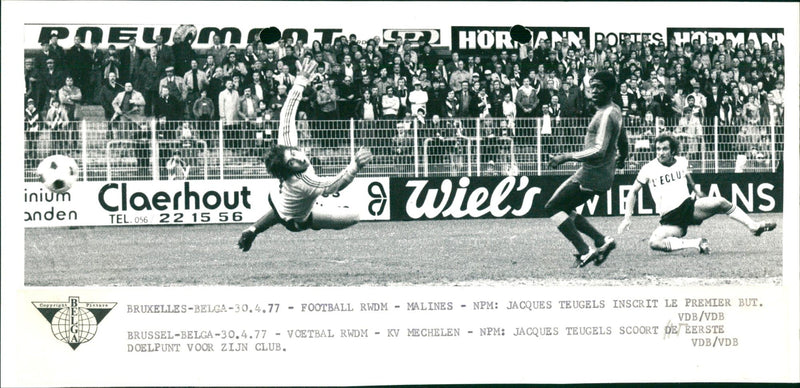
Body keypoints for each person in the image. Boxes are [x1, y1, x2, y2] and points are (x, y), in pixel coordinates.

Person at [237, 60, 374, 252]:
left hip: (281, 202)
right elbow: (331, 186)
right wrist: (355, 166)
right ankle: (311, 217)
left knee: (281, 210)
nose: (297, 155)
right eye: (293, 161)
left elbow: (286, 114)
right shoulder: (303, 181)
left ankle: (252, 230)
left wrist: (300, 81)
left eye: (292, 154)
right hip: (299, 220)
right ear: (289, 170)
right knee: (354, 216)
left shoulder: (287, 149)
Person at [618, 134, 776, 254]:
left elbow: (687, 177)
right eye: (658, 149)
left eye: (665, 148)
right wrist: (626, 218)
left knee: (721, 202)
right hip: (670, 220)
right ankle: (697, 243)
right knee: (654, 243)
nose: (661, 152)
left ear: (673, 150)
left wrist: (695, 190)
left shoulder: (681, 161)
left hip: (689, 208)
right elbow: (633, 191)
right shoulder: (649, 168)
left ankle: (754, 227)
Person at [544, 70, 628, 268]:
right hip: (600, 174)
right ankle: (601, 241)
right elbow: (622, 137)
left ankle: (584, 251)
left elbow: (599, 150)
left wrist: (565, 157)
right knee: (564, 208)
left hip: (592, 174)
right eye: (592, 87)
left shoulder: (606, 114)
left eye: (599, 87)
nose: (594, 91)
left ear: (611, 90)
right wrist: (623, 155)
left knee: (552, 208)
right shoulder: (615, 110)